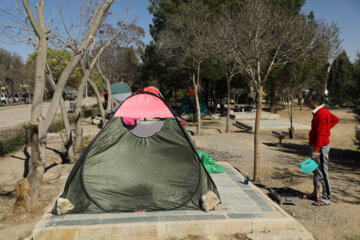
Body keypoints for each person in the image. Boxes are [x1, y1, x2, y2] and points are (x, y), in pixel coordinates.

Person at [304, 93, 339, 206]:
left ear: (315, 102)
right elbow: (335, 119)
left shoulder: (322, 113)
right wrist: (326, 127)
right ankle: (315, 193)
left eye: (309, 101)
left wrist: (316, 149)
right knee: (315, 169)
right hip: (315, 144)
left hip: (320, 146)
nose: (308, 103)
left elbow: (321, 132)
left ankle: (326, 197)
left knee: (323, 171)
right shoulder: (320, 112)